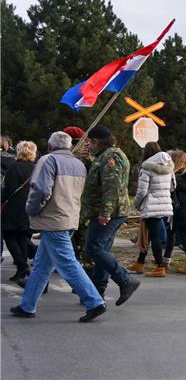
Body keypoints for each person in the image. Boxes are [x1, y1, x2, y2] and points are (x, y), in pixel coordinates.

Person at [9, 132, 107, 322]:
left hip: (53, 219)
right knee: (41, 266)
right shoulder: (78, 164)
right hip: (69, 217)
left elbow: (41, 189)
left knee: (67, 264)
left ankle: (94, 301)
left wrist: (31, 209)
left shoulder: (48, 160)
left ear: (50, 146)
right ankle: (27, 305)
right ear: (70, 146)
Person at [80, 125, 140, 303]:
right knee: (101, 251)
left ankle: (125, 280)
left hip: (109, 213)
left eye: (89, 142)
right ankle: (98, 292)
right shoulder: (103, 156)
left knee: (93, 248)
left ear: (97, 141)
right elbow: (100, 178)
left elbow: (111, 186)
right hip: (111, 211)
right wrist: (88, 161)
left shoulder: (110, 156)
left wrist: (105, 212)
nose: (87, 145)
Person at [127, 142, 175, 277]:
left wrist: (137, 204)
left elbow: (142, 191)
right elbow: (172, 187)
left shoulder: (146, 168)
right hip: (165, 204)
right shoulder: (169, 166)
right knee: (147, 235)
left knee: (153, 237)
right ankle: (140, 262)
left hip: (151, 205)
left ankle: (160, 266)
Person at [2, 141, 37, 282]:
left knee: (9, 236)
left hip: (14, 207)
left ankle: (22, 266)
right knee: (23, 237)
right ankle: (21, 270)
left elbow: (9, 189)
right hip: (30, 207)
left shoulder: (15, 167)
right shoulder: (35, 168)